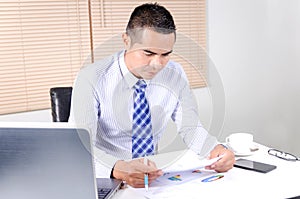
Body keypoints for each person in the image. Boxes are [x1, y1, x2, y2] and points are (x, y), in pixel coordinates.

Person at [69, 2, 235, 188]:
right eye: (148, 53)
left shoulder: (175, 74)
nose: (157, 64)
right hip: (106, 177)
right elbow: (78, 147)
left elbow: (190, 127)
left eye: (165, 54)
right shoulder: (91, 78)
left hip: (152, 176)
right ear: (127, 41)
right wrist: (117, 168)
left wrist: (216, 150)